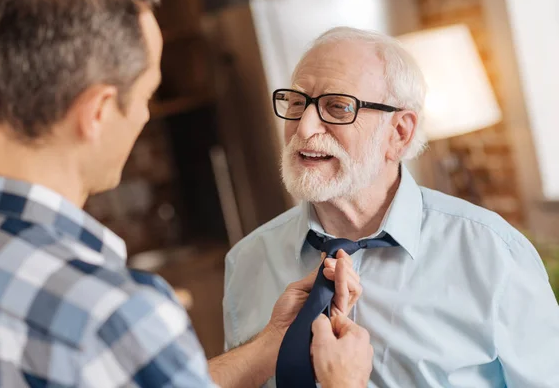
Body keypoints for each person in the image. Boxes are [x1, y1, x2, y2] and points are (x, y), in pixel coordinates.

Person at [0, 0, 372, 387]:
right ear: (98, 112)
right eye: (145, 95)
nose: (143, 115)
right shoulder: (111, 315)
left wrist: (270, 345)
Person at [223, 26, 559, 387]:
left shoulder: (493, 253)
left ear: (399, 133)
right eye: (295, 102)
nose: (304, 128)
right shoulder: (246, 263)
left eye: (337, 107)